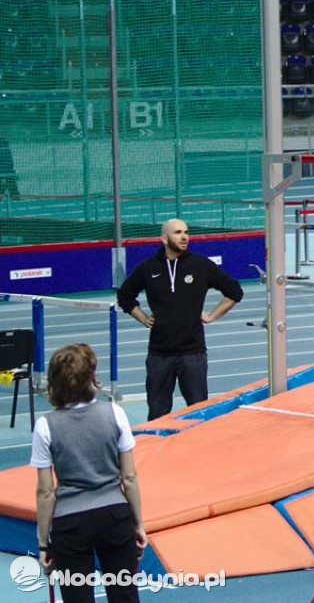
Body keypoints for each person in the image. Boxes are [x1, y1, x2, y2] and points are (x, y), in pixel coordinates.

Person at [32, 342, 147, 602]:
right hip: (115, 518)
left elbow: (46, 492)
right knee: (125, 596)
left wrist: (43, 544)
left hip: (71, 525)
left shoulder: (45, 426)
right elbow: (128, 478)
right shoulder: (115, 413)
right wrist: (138, 524)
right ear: (91, 378)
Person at [117, 219, 244, 421]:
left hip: (193, 354)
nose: (184, 237)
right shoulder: (148, 268)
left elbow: (235, 291)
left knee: (199, 413)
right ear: (164, 238)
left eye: (186, 232)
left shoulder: (201, 265)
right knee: (158, 415)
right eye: (178, 232)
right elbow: (124, 295)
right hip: (159, 355)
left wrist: (211, 316)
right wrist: (142, 318)